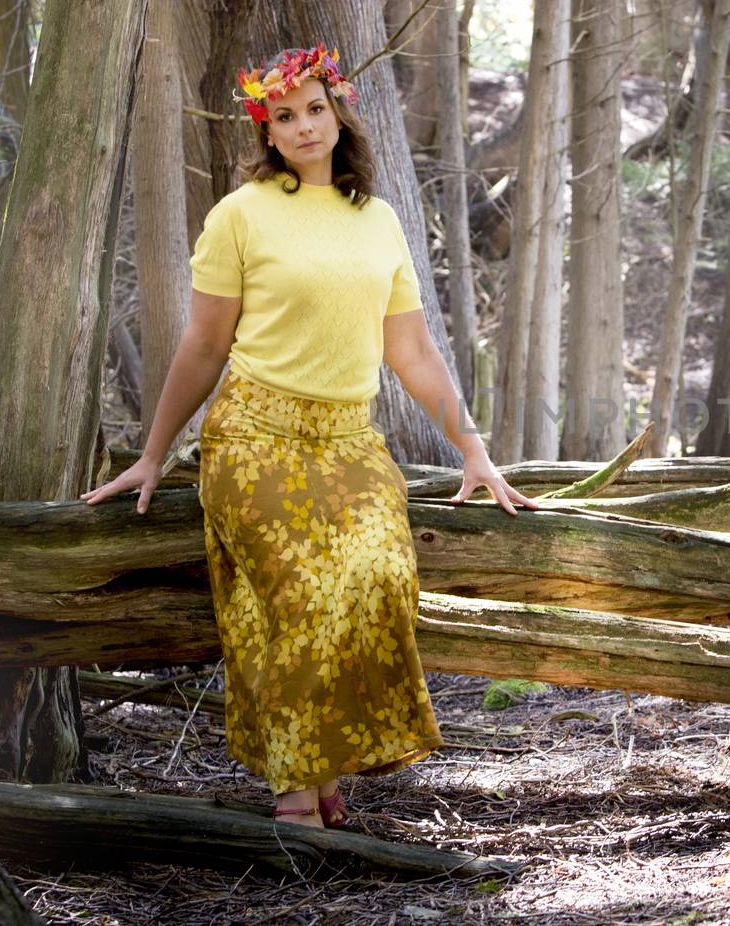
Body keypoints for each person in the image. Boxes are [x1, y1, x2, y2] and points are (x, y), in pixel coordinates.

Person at [82, 42, 538, 829]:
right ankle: (299, 791)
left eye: (314, 110)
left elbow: (413, 351)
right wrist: (154, 454)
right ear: (267, 131)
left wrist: (473, 448)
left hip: (348, 441)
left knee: (379, 575)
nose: (302, 127)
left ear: (338, 115)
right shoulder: (240, 215)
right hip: (255, 434)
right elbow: (202, 345)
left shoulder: (378, 219)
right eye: (283, 116)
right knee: (298, 595)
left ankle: (321, 767)